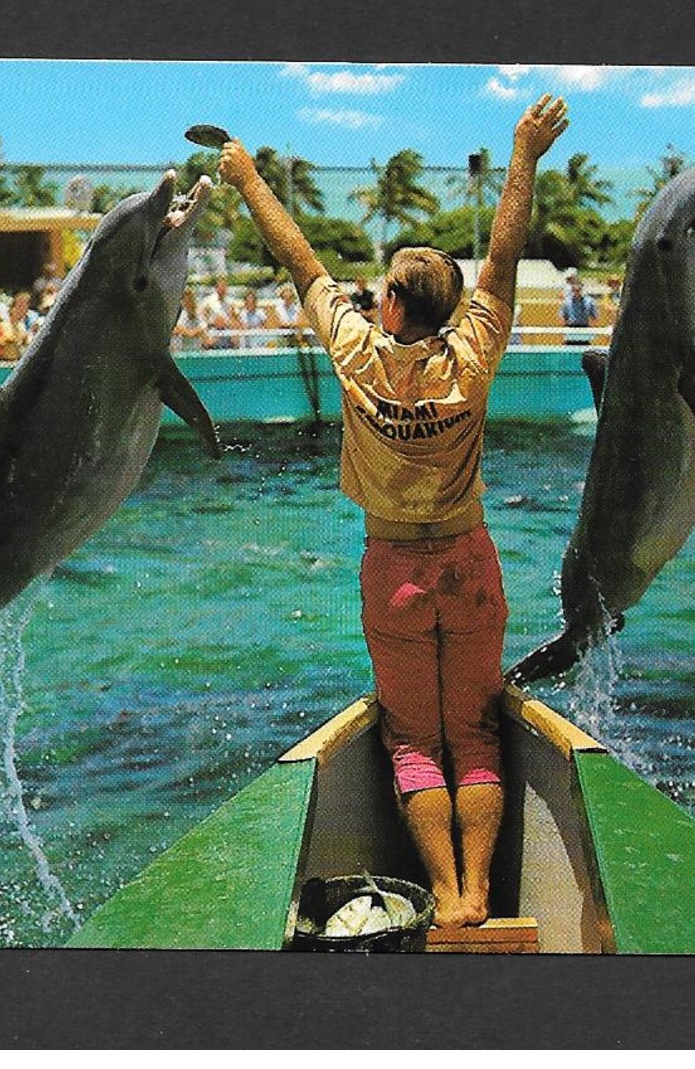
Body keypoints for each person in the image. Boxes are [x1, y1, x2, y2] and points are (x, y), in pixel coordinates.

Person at [218, 94, 569, 929]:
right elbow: (504, 253)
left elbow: (299, 258)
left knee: (414, 742)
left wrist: (245, 175)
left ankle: (444, 894)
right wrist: (523, 155)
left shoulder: (357, 354)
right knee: (477, 733)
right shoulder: (474, 354)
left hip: (396, 573)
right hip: (470, 564)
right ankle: (482, 889)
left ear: (394, 308)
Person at [558, 269, 597, 345]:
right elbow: (563, 316)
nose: (577, 290)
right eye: (575, 289)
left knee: (585, 347)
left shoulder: (589, 301)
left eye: (578, 289)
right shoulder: (567, 301)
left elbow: (594, 317)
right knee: (569, 348)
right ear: (572, 289)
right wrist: (564, 329)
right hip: (571, 327)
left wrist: (592, 330)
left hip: (584, 327)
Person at [198, 277, 240, 349]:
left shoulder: (230, 302)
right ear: (216, 288)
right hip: (212, 329)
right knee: (208, 340)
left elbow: (236, 319)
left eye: (224, 287)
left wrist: (228, 323)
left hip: (227, 329)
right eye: (220, 287)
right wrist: (212, 323)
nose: (222, 289)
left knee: (236, 339)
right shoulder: (208, 301)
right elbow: (202, 318)